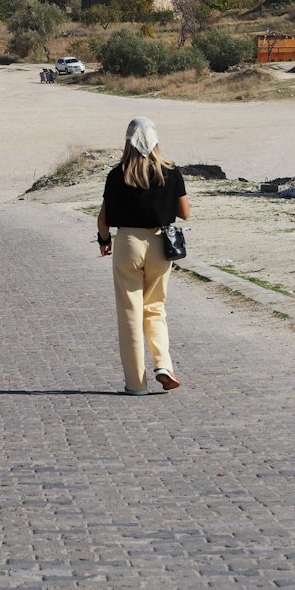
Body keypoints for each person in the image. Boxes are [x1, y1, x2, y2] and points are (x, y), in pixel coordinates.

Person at [96, 116, 190, 395]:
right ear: (155, 141)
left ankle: (136, 383)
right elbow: (185, 213)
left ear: (128, 142)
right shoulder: (170, 172)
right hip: (160, 244)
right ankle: (163, 364)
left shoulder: (117, 175)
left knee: (130, 313)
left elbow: (103, 218)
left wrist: (104, 240)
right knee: (155, 307)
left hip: (127, 242)